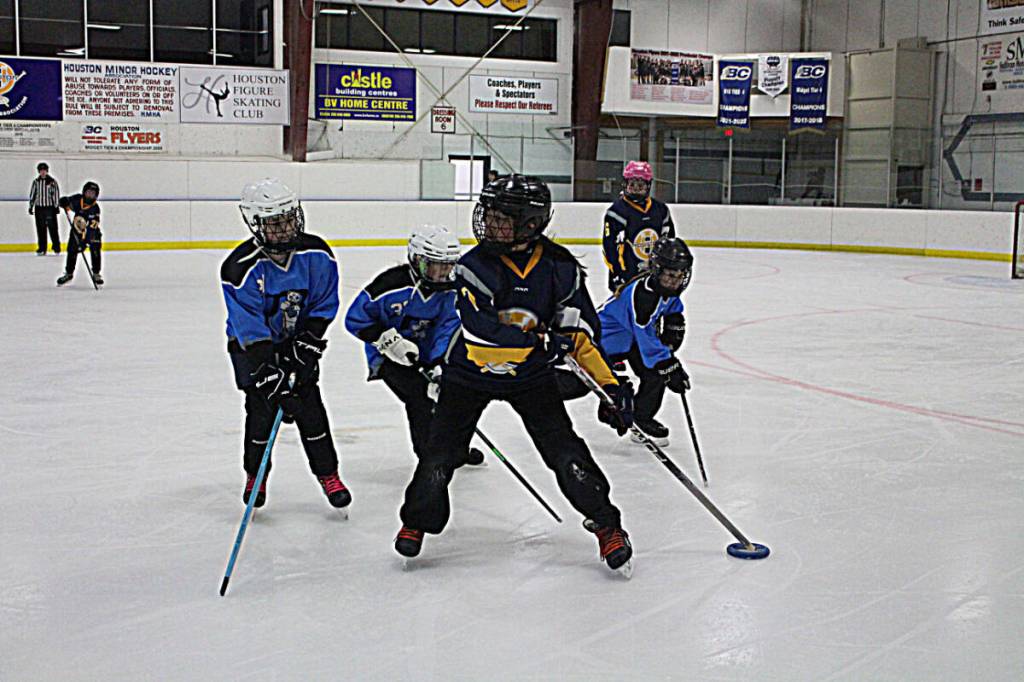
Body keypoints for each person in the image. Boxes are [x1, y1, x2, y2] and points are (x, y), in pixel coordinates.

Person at [394, 174, 636, 574]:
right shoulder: (472, 267)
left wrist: (611, 388)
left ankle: (607, 526)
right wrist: (543, 341)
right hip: (468, 375)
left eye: (501, 217)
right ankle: (416, 522)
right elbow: (481, 332)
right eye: (488, 213)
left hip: (531, 379)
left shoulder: (561, 269)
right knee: (439, 457)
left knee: (567, 456)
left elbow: (580, 335)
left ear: (529, 223)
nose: (488, 223)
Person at [220, 178, 351, 511]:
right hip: (252, 348)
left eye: (288, 218)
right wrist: (267, 371)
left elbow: (323, 303)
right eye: (274, 223)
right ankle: (256, 475)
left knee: (311, 409)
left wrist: (307, 344)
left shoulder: (317, 253)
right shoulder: (239, 269)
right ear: (255, 223)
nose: (284, 228)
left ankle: (328, 474)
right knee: (261, 411)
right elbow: (248, 324)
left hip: (298, 340)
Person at [344, 224, 484, 467]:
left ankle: (458, 449)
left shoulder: (451, 290)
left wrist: (438, 363)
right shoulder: (389, 284)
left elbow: (447, 328)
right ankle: (428, 456)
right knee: (419, 398)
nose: (443, 273)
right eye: (436, 266)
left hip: (429, 354)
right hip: (387, 356)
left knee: (456, 392)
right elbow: (355, 319)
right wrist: (385, 339)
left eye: (448, 266)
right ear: (417, 260)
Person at [597, 237, 692, 446]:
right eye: (670, 275)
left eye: (680, 275)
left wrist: (674, 322)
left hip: (629, 338)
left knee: (654, 376)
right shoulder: (644, 297)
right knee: (603, 384)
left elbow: (672, 307)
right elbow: (647, 341)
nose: (675, 281)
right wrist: (668, 364)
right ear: (657, 270)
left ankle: (641, 418)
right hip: (605, 339)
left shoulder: (666, 290)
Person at [602, 160, 675, 292]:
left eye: (640, 185)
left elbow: (669, 242)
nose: (636, 188)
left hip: (654, 276)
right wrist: (617, 275)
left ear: (648, 185)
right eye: (632, 184)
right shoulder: (616, 212)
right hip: (626, 276)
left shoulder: (661, 210)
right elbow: (609, 247)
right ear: (625, 184)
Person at [56, 181, 102, 287]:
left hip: (92, 232)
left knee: (95, 249)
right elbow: (68, 204)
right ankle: (69, 273)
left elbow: (92, 227)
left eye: (93, 193)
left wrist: (83, 242)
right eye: (88, 192)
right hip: (77, 230)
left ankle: (96, 273)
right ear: (84, 192)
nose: (90, 195)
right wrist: (63, 202)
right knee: (72, 250)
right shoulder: (78, 199)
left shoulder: (95, 208)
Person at [28, 162, 60, 256]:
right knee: (41, 229)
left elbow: (56, 194)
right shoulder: (36, 182)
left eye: (44, 170)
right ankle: (42, 248)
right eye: (41, 170)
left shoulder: (52, 181)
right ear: (39, 171)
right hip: (39, 208)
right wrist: (31, 206)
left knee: (53, 228)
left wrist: (56, 206)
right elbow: (33, 194)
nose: (43, 172)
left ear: (47, 171)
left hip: (50, 208)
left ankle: (56, 247)